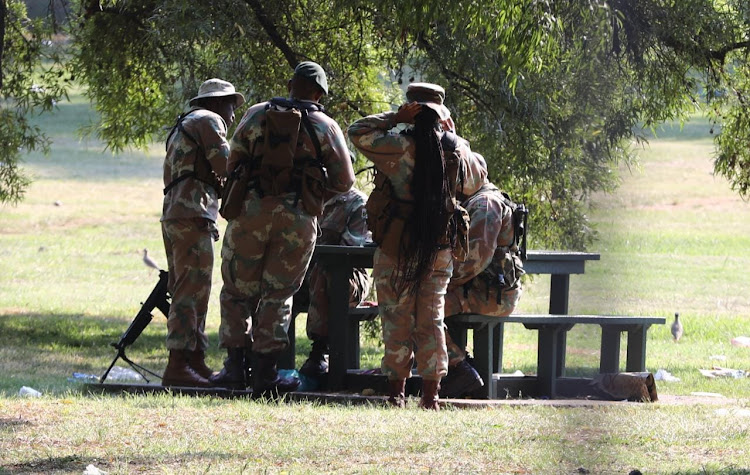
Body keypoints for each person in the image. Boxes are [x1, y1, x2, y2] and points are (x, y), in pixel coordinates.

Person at [212, 61, 354, 395]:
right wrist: (311, 193)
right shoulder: (325, 125)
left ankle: (234, 368)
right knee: (279, 293)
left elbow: (232, 162)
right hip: (298, 218)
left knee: (236, 290)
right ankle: (265, 375)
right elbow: (345, 182)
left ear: (290, 84)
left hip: (250, 212)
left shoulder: (257, 113)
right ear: (320, 93)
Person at [347, 83, 486, 409]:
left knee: (395, 318)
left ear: (410, 110)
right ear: (442, 115)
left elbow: (357, 131)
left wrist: (393, 116)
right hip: (437, 250)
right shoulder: (454, 150)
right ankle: (430, 396)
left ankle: (395, 394)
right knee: (431, 320)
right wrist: (458, 137)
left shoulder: (394, 145)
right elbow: (477, 179)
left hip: (396, 246)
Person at [160, 78, 245, 387]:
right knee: (190, 290)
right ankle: (178, 365)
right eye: (231, 106)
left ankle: (194, 360)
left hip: (177, 212)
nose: (233, 115)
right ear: (218, 103)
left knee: (192, 288)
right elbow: (227, 168)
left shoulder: (184, 124)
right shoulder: (209, 121)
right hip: (192, 213)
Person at [440, 158, 526, 398]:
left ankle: (459, 369)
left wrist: (436, 284)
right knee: (417, 306)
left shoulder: (485, 204)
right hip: (481, 291)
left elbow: (473, 261)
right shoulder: (478, 200)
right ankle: (459, 366)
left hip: (487, 296)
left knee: (421, 309)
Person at [298, 185, 372, 378]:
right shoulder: (307, 197)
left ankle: (321, 351)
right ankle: (261, 355)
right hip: (303, 272)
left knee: (326, 269)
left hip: (349, 277)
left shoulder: (357, 203)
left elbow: (353, 249)